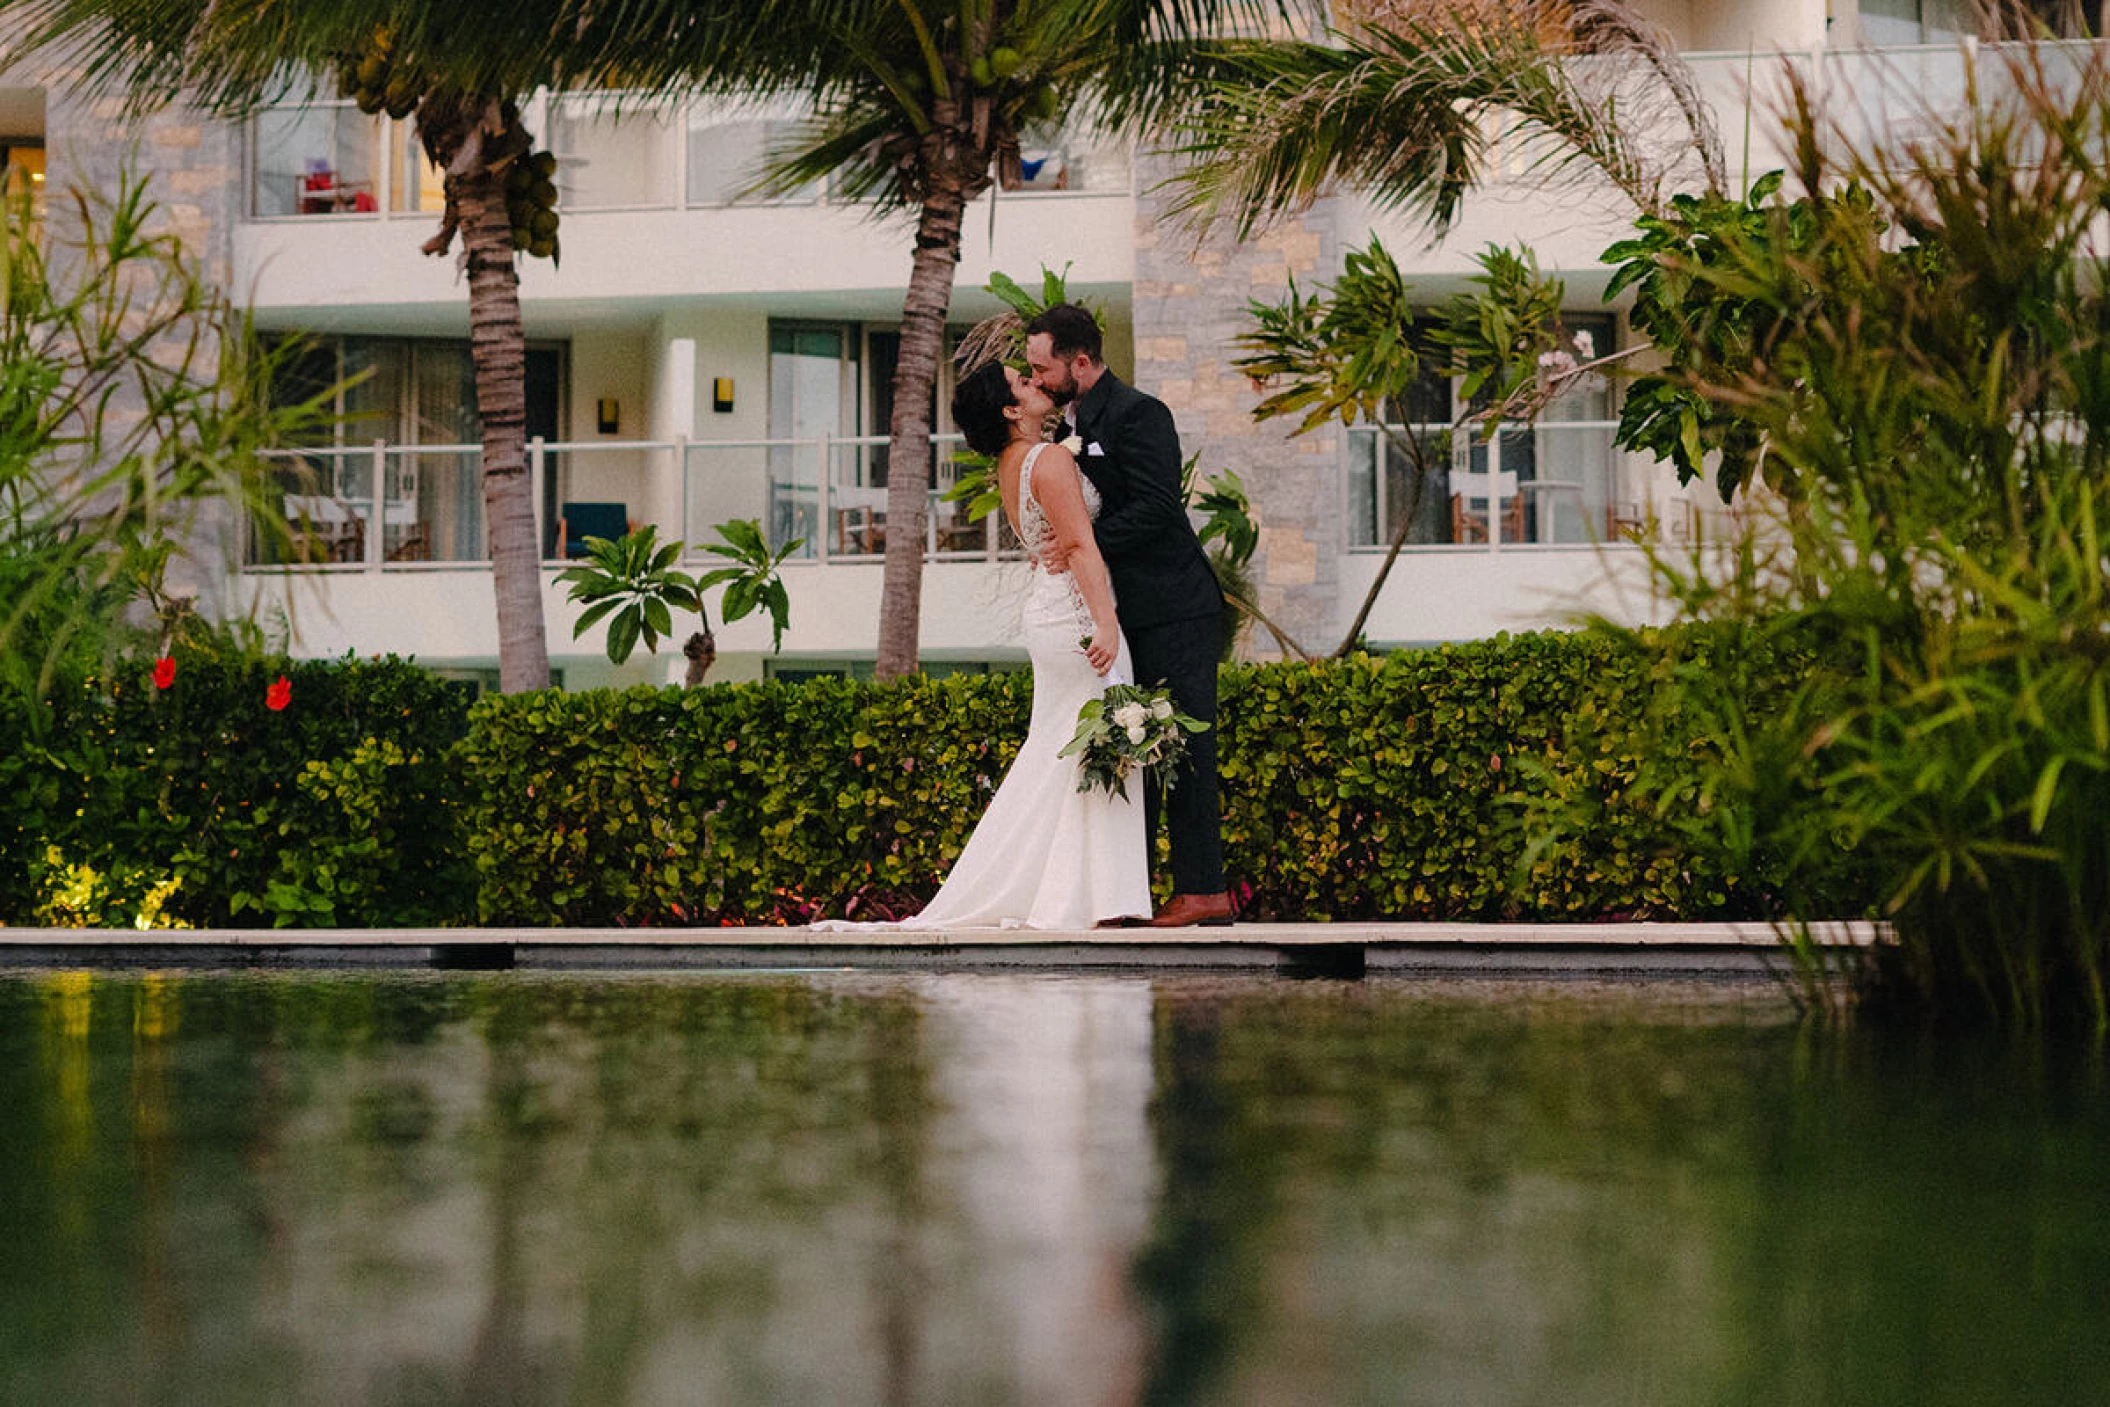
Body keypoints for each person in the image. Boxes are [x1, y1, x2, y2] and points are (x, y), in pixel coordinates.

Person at [817, 359, 1151, 930]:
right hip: (1076, 613)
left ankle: (1089, 897)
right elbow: (1077, 546)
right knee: (1101, 743)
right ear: (1010, 409)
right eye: (1023, 382)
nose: (1035, 381)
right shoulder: (1046, 460)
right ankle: (1094, 901)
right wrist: (1106, 623)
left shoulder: (1011, 464)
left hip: (1047, 611)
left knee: (1063, 752)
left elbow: (1051, 541)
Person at [1025, 304, 1234, 927]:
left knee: (1189, 748)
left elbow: (1158, 508)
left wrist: (1081, 539)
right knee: (1123, 750)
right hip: (1114, 613)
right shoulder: (1063, 428)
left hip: (1175, 608)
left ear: (1080, 363)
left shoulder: (1141, 413)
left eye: (1043, 369)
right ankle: (1123, 895)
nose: (1035, 380)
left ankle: (1204, 893)